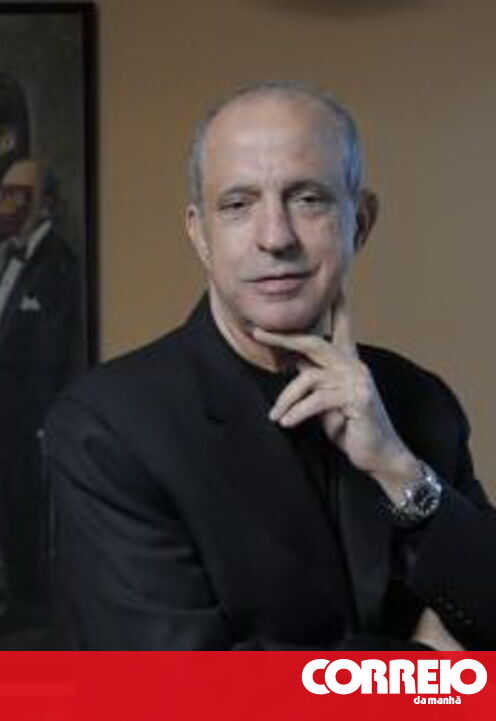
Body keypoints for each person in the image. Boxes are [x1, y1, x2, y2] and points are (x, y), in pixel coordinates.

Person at [47, 81, 496, 650]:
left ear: (360, 222)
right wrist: (426, 667)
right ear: (200, 235)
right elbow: (182, 688)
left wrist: (397, 468)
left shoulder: (420, 400)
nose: (275, 237)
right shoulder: (108, 427)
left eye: (307, 199)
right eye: (238, 205)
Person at [0, 158, 85, 634]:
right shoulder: (13, 255)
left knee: (26, 510)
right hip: (2, 417)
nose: (9, 203)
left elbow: (55, 355)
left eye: (21, 194)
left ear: (48, 203)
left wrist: (44, 423)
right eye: (5, 191)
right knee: (8, 507)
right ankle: (19, 587)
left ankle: (30, 605)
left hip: (29, 420)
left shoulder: (59, 264)